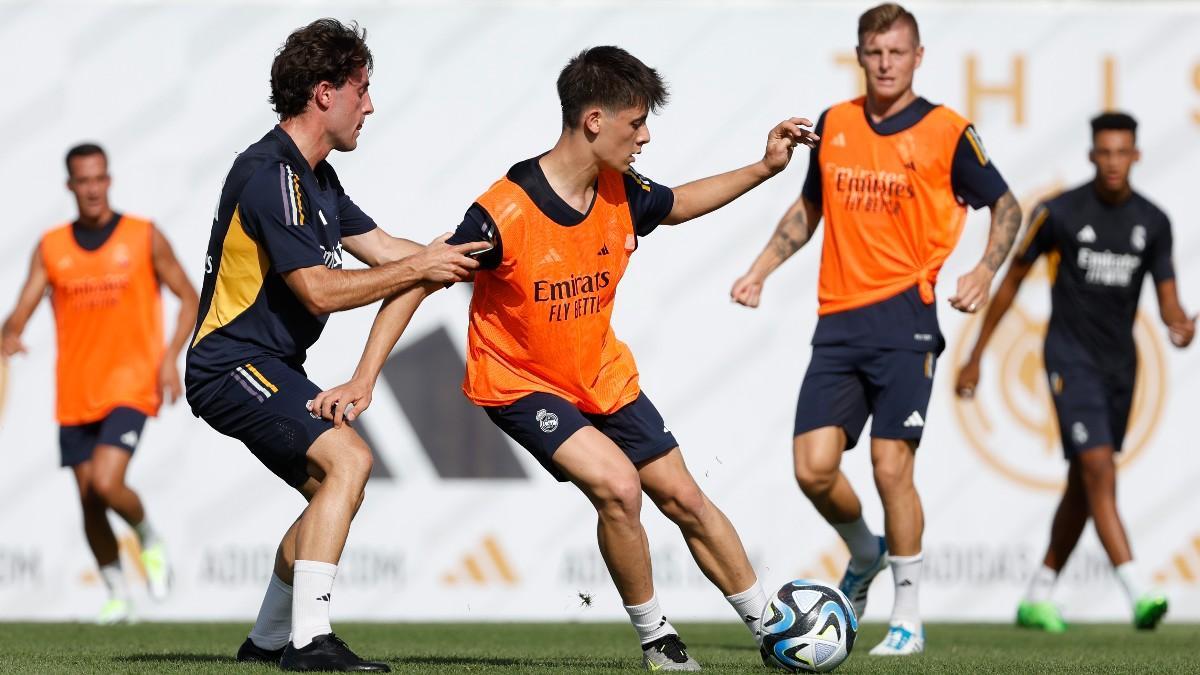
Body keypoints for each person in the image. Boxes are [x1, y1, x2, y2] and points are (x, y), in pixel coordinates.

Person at [311, 45, 816, 671]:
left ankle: (772, 628)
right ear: (595, 121)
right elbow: (418, 278)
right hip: (520, 383)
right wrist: (365, 377)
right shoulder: (504, 211)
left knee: (683, 496)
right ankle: (659, 640)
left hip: (600, 375)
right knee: (619, 486)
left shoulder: (621, 190)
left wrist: (766, 167)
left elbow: (680, 203)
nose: (647, 136)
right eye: (637, 123)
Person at [184, 19, 487, 672]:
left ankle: (267, 638)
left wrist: (477, 263)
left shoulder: (319, 180)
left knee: (335, 482)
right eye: (363, 88)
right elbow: (320, 290)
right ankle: (309, 641)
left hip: (268, 365)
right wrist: (422, 268)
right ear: (325, 92)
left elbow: (393, 254)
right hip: (227, 365)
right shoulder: (269, 172)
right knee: (349, 460)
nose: (370, 105)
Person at [730, 2, 1023, 656]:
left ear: (918, 57)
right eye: (874, 51)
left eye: (897, 51)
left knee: (893, 468)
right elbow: (811, 208)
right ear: (859, 56)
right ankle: (865, 552)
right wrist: (759, 271)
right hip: (837, 322)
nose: (885, 63)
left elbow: (1007, 206)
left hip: (906, 321)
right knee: (812, 468)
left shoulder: (948, 131)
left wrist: (984, 268)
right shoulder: (835, 124)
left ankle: (908, 619)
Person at [956, 111, 1193, 633]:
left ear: (1136, 155)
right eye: (1104, 152)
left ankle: (1037, 595)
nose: (1113, 162)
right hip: (1069, 359)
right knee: (1099, 469)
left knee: (1084, 483)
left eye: (1122, 152)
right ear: (1091, 155)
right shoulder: (1059, 212)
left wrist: (1181, 326)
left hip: (1120, 370)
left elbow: (1170, 304)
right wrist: (975, 356)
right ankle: (1138, 589)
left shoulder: (1153, 222)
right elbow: (1013, 281)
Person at [1, 143, 198, 624]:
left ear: (109, 180)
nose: (92, 188)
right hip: (75, 391)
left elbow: (190, 297)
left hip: (131, 384)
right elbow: (19, 313)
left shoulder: (142, 236)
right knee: (88, 500)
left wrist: (171, 358)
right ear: (70, 186)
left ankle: (147, 536)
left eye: (99, 178)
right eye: (82, 181)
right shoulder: (52, 248)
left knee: (109, 484)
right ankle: (118, 593)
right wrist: (10, 334)